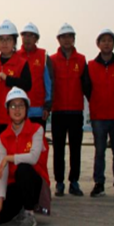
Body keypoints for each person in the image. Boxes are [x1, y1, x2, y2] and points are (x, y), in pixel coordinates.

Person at [0, 87, 50, 226]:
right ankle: (20, 208)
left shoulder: (36, 129)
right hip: (16, 184)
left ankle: (29, 212)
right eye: (13, 106)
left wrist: (8, 158)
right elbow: (3, 171)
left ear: (27, 109)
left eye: (21, 105)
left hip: (35, 184)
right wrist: (0, 201)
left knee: (23, 169)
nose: (17, 110)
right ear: (7, 110)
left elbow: (33, 158)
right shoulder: (3, 136)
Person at [83, 29, 114, 198]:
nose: (106, 43)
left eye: (110, 40)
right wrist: (98, 102)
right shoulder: (90, 66)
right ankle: (99, 184)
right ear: (98, 44)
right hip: (99, 116)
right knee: (100, 152)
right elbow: (87, 88)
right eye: (103, 40)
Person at [50, 23, 86, 197]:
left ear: (74, 39)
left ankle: (74, 181)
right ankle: (59, 182)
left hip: (76, 111)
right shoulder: (52, 60)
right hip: (58, 111)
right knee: (58, 149)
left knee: (75, 149)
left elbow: (86, 85)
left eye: (69, 36)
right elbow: (49, 84)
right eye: (63, 37)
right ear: (58, 40)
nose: (66, 40)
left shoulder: (81, 60)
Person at [0, 20, 32, 137]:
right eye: (1, 39)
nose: (4, 43)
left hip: (14, 120)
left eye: (8, 39)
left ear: (14, 42)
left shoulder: (22, 63)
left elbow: (27, 85)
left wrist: (8, 79)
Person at [16, 23, 53, 132]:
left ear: (36, 39)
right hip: (18, 109)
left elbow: (49, 83)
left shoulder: (43, 56)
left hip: (38, 110)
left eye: (31, 36)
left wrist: (47, 107)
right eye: (25, 35)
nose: (27, 39)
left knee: (37, 140)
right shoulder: (15, 56)